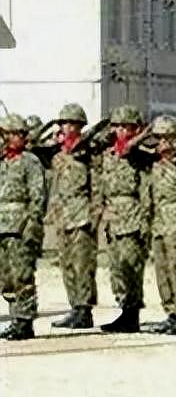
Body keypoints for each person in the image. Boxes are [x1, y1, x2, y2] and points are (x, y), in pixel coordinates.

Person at [97, 105, 151, 333]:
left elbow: (146, 190)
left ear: (135, 128)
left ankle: (132, 314)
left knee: (131, 267)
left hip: (132, 216)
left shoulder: (140, 156)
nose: (120, 130)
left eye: (125, 126)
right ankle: (123, 309)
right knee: (117, 268)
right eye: (117, 126)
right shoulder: (109, 155)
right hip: (113, 218)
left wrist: (144, 222)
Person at [143, 116, 176, 335]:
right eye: (160, 139)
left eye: (167, 139)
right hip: (159, 222)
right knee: (162, 270)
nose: (163, 144)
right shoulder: (155, 166)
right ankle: (171, 312)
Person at [46, 104, 99, 329]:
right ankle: (74, 307)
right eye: (63, 124)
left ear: (80, 126)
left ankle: (84, 310)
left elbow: (97, 186)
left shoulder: (89, 154)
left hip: (81, 215)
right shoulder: (58, 156)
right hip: (62, 216)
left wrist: (95, 215)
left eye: (70, 123)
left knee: (82, 264)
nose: (66, 127)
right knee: (66, 264)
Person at [0, 113, 47, 340]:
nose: (13, 138)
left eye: (17, 134)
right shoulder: (3, 161)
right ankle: (14, 317)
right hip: (2, 225)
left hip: (21, 224)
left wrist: (32, 223)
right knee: (6, 276)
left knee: (23, 274)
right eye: (9, 134)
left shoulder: (30, 161)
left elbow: (38, 196)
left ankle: (25, 320)